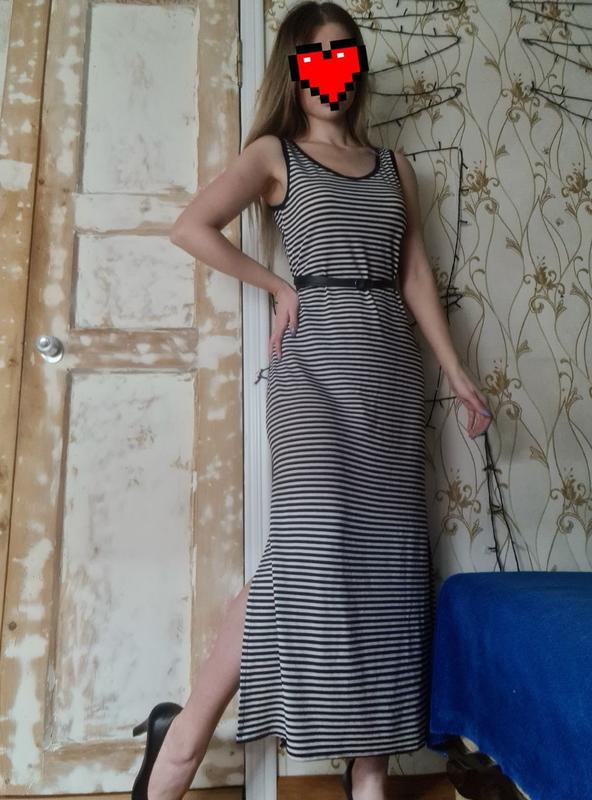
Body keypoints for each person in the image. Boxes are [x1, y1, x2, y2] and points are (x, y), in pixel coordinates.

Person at [131, 3, 493, 800]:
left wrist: (457, 373)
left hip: (389, 375)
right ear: (295, 72)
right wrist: (276, 284)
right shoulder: (275, 155)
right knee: (305, 555)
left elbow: (415, 275)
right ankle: (183, 741)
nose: (333, 69)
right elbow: (192, 227)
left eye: (344, 54)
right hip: (313, 374)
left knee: (387, 568)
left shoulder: (395, 167)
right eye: (316, 56)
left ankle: (368, 775)